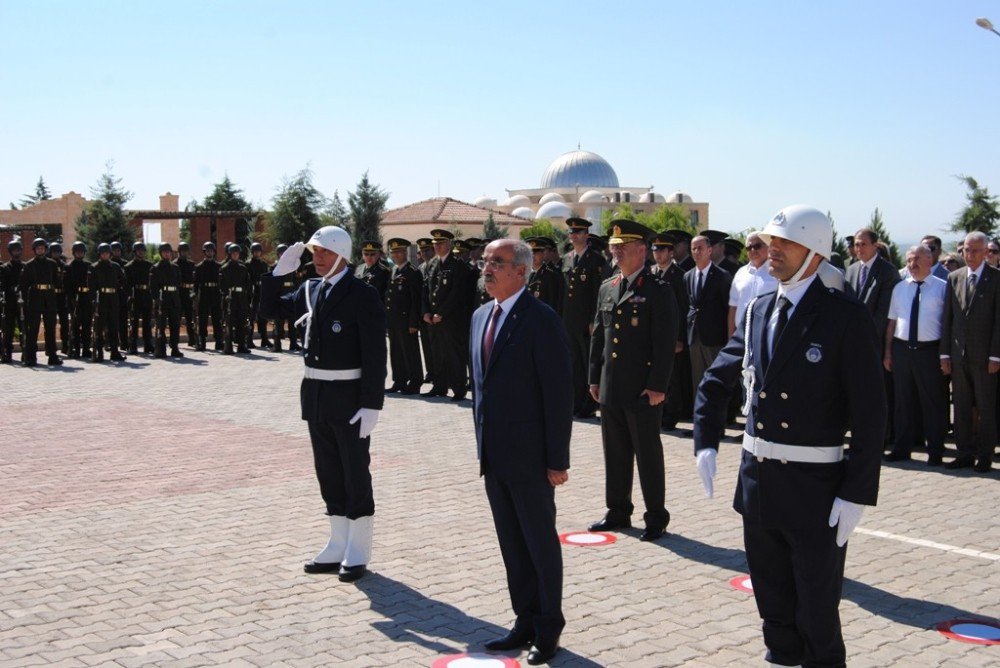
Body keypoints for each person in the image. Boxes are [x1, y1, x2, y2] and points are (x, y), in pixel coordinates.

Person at [694, 205, 885, 668]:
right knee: (774, 612)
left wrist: (857, 490)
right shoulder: (760, 309)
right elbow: (717, 378)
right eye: (770, 243)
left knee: (817, 617)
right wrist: (705, 438)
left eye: (784, 244)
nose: (772, 252)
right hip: (758, 485)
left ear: (815, 253)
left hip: (815, 490)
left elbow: (871, 412)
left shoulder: (844, 317)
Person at [260, 226, 386, 582]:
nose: (317, 259)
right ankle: (337, 542)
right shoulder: (310, 289)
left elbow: (376, 353)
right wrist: (275, 275)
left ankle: (358, 549)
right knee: (328, 473)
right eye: (314, 252)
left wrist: (372, 404)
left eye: (325, 253)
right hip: (316, 394)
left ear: (342, 256)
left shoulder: (362, 294)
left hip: (349, 397)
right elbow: (269, 311)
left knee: (354, 472)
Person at [470, 238, 572, 666]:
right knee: (512, 544)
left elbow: (557, 393)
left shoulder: (540, 319)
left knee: (539, 544)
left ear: (522, 272)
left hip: (531, 458)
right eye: (486, 261)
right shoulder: (479, 317)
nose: (487, 268)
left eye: (498, 262)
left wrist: (557, 460)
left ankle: (548, 629)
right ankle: (524, 620)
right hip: (494, 455)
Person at [588, 220, 679, 541]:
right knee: (615, 451)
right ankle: (618, 510)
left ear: (642, 250)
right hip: (611, 385)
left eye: (623, 246)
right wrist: (594, 378)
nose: (617, 250)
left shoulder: (657, 290)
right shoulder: (608, 287)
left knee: (647, 453)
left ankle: (656, 516)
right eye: (614, 246)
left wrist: (657, 386)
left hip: (642, 388)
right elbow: (599, 337)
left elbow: (665, 343)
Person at [941, 231, 1000, 473]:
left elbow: (999, 321)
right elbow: (948, 319)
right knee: (962, 407)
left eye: (976, 250)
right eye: (966, 250)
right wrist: (945, 354)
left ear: (986, 252)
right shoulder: (954, 277)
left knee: (986, 407)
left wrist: (995, 355)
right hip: (958, 356)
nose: (970, 255)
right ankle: (963, 453)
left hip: (985, 357)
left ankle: (985, 455)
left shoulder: (996, 279)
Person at [883, 246, 947, 465]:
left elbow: (948, 324)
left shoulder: (943, 288)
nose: (912, 264)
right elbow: (892, 322)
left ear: (930, 260)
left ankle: (936, 450)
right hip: (902, 350)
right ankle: (902, 448)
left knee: (933, 403)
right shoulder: (899, 288)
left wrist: (944, 355)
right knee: (903, 402)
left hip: (930, 351)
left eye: (917, 259)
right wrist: (888, 352)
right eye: (909, 260)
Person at [846, 228, 901, 445]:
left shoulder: (888, 272)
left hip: (875, 343)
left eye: (863, 245)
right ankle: (858, 435)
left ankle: (882, 438)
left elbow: (884, 313)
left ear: (875, 246)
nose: (859, 249)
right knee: (856, 394)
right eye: (856, 245)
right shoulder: (850, 271)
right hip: (851, 343)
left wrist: (863, 339)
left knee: (878, 394)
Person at [561, 218, 608, 419]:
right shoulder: (566, 258)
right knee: (574, 364)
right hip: (569, 320)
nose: (574, 235)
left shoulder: (596, 260)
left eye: (578, 232)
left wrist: (593, 320)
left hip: (586, 321)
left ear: (587, 235)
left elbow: (599, 293)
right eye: (572, 232)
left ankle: (589, 404)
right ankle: (577, 401)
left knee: (588, 362)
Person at [421, 229, 472, 401]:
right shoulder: (432, 264)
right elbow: (426, 290)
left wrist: (441, 313)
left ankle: (459, 389)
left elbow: (457, 294)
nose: (437, 246)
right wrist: (426, 312)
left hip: (451, 319)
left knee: (453, 354)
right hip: (433, 319)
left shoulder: (457, 265)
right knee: (437, 353)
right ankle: (440, 386)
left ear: (449, 244)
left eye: (441, 243)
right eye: (435, 244)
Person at [685, 235, 733, 406]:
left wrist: (729, 337)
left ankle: (716, 426)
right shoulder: (688, 276)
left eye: (700, 248)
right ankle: (700, 424)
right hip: (695, 336)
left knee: (715, 381)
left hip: (714, 338)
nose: (697, 252)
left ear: (709, 250)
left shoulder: (722, 276)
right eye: (693, 248)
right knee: (697, 381)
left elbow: (728, 309)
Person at [650, 232, 691, 431]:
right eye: (655, 250)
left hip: (672, 334)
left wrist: (680, 338)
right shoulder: (650, 273)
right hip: (653, 335)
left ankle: (672, 415)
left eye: (662, 250)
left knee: (673, 378)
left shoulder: (680, 275)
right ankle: (658, 414)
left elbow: (683, 310)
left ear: (671, 252)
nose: (658, 254)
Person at [384, 238, 423, 394]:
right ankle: (399, 381)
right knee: (396, 352)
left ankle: (415, 382)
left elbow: (415, 299)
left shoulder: (413, 272)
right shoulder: (393, 271)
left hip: (407, 321)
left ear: (405, 253)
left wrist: (414, 322)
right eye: (394, 252)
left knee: (410, 352)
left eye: (399, 252)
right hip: (394, 320)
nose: (396, 255)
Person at [19, 238, 62, 366]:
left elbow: (57, 281)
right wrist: (24, 302)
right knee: (33, 329)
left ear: (45, 249)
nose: (40, 250)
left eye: (42, 248)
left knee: (50, 328)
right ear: (34, 250)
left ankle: (52, 356)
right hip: (35, 298)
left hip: (49, 298)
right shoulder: (28, 265)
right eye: (38, 248)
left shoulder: (52, 264)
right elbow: (23, 285)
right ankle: (31, 357)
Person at [728, 232, 777, 337]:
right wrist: (731, 337)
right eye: (749, 247)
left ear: (768, 246)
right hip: (742, 334)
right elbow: (733, 307)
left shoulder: (777, 271)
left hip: (768, 334)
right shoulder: (740, 273)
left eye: (757, 246)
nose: (753, 250)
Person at [89, 243, 127, 362]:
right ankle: (99, 352)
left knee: (113, 326)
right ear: (99, 254)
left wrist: (118, 289)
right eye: (103, 253)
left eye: (107, 253)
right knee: (99, 327)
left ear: (110, 254)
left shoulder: (115, 266)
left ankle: (115, 352)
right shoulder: (94, 267)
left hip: (113, 298)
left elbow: (123, 280)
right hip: (101, 298)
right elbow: (91, 286)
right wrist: (94, 300)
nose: (105, 255)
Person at [150, 243, 184, 358]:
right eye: (165, 252)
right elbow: (153, 286)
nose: (167, 253)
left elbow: (179, 283)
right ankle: (161, 348)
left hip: (174, 298)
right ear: (161, 253)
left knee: (175, 325)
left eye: (169, 252)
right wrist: (156, 300)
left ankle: (175, 347)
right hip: (162, 299)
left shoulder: (175, 267)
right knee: (161, 325)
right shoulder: (155, 268)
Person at [219, 244, 252, 355]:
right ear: (229, 254)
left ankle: (242, 345)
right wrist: (226, 295)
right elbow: (222, 285)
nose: (235, 255)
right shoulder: (224, 268)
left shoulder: (243, 268)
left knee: (241, 322)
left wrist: (246, 296)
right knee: (229, 323)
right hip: (230, 298)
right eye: (233, 253)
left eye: (237, 253)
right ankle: (228, 346)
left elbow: (248, 283)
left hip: (241, 298)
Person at [269, 244, 301, 352]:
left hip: (290, 294)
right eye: (281, 253)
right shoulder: (274, 266)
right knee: (278, 321)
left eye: (285, 253)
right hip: (280, 295)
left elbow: (296, 281)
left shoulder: (292, 266)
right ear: (278, 254)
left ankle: (293, 343)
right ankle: (277, 344)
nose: (283, 255)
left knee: (292, 321)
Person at [65, 241, 93, 359]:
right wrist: (71, 298)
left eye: (81, 252)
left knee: (87, 324)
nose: (79, 254)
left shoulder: (89, 265)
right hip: (76, 298)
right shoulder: (69, 266)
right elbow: (66, 285)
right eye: (77, 252)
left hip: (87, 297)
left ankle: (86, 349)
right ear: (74, 253)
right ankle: (76, 349)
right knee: (76, 326)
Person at [124, 241, 154, 354]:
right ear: (135, 252)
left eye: (142, 251)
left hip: (146, 295)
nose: (141, 252)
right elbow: (126, 284)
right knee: (134, 322)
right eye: (138, 251)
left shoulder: (149, 265)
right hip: (135, 295)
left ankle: (148, 344)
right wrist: (129, 296)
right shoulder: (129, 266)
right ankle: (133, 344)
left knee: (147, 321)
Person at [194, 241, 224, 351]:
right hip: (205, 294)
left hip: (216, 293)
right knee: (203, 319)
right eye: (207, 251)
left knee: (217, 319)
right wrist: (194, 293)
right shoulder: (199, 267)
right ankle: (202, 341)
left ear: (214, 252)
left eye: (211, 251)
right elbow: (196, 283)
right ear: (204, 252)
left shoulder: (219, 266)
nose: (209, 252)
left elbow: (223, 282)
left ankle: (219, 341)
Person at [1, 240, 25, 363]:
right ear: (10, 252)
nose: (17, 252)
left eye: (18, 250)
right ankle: (8, 353)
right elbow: (2, 286)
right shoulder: (5, 268)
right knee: (8, 329)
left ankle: (25, 351)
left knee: (24, 328)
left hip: (22, 302)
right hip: (10, 302)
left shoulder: (25, 266)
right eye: (15, 250)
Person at [526, 237, 564, 313]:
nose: (533, 256)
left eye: (536, 252)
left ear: (543, 254)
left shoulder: (551, 275)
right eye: (530, 253)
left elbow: (554, 303)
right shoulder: (525, 274)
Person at [247, 242, 273, 349]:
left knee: (263, 318)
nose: (257, 253)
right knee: (251, 318)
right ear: (252, 252)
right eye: (255, 251)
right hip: (253, 293)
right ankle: (248, 340)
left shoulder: (264, 264)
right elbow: (247, 279)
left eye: (258, 251)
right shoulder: (248, 264)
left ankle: (264, 339)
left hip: (261, 292)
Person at [175, 242, 199, 349]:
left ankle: (192, 339)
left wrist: (194, 292)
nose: (184, 253)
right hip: (179, 292)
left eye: (186, 251)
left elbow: (195, 280)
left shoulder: (191, 264)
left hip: (189, 292)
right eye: (183, 251)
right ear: (179, 252)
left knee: (190, 318)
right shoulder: (175, 264)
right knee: (177, 318)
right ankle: (174, 340)